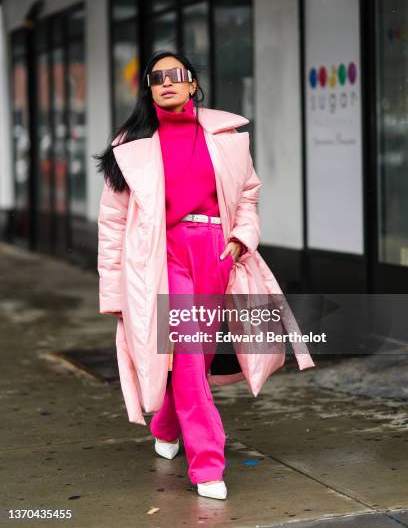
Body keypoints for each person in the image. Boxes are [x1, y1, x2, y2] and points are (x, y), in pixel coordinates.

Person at [94, 50, 315, 501]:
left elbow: (248, 196)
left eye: (177, 75)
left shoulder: (225, 136)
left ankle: (165, 423)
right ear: (150, 89)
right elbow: (112, 222)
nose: (167, 83)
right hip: (162, 259)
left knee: (200, 354)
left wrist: (241, 238)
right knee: (191, 356)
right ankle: (208, 464)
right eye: (157, 78)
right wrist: (114, 290)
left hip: (217, 255)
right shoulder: (131, 146)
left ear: (193, 84)